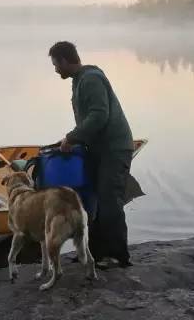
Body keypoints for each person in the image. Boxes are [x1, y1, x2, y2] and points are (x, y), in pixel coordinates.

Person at [48, 41, 135, 268]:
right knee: (92, 201)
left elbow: (99, 115)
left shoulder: (91, 79)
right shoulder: (79, 80)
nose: (56, 70)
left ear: (65, 61)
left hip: (114, 149)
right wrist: (69, 139)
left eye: (56, 65)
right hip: (97, 150)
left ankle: (117, 255)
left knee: (109, 201)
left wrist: (73, 137)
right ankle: (94, 253)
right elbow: (89, 119)